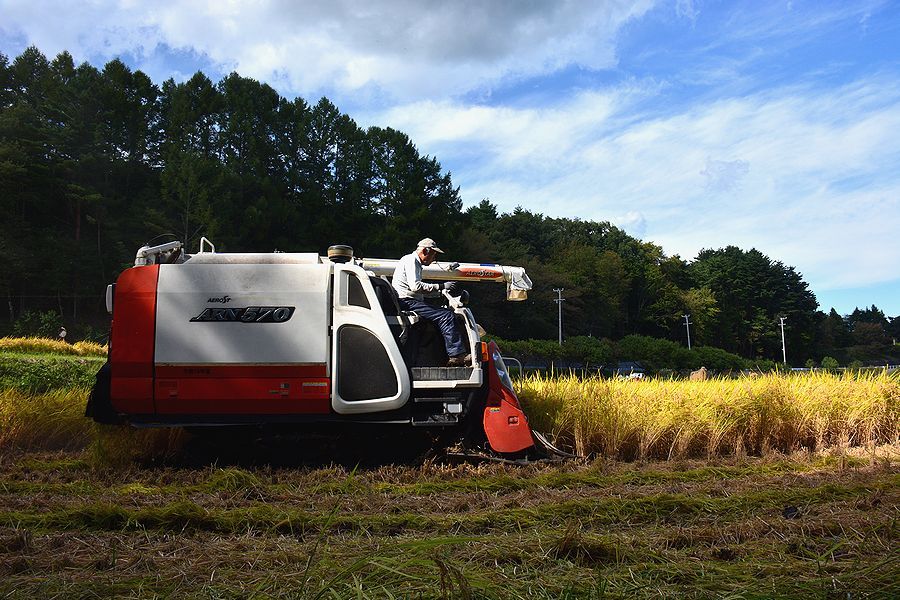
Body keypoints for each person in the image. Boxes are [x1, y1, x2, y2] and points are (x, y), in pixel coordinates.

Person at [392, 238, 470, 367]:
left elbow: (418, 291)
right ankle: (456, 355)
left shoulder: (410, 260)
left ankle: (450, 353)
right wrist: (441, 286)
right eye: (433, 254)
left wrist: (440, 292)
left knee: (443, 314)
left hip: (407, 300)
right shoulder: (412, 261)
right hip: (407, 301)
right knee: (446, 316)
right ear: (425, 251)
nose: (434, 259)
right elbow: (416, 287)